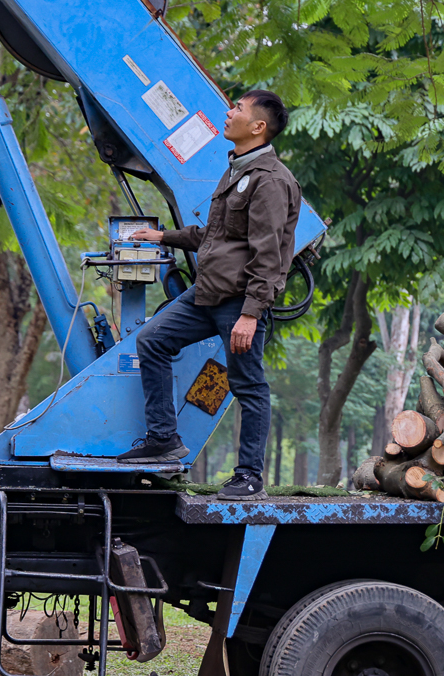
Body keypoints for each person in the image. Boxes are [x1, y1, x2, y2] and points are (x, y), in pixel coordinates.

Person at [118, 90, 301, 501]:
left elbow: (268, 254)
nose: (228, 112)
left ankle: (250, 476)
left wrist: (252, 314)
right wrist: (162, 235)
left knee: (248, 386)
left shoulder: (270, 180)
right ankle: (163, 437)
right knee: (153, 340)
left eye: (237, 108)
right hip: (207, 294)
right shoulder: (237, 170)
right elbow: (214, 237)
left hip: (239, 302)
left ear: (258, 126)